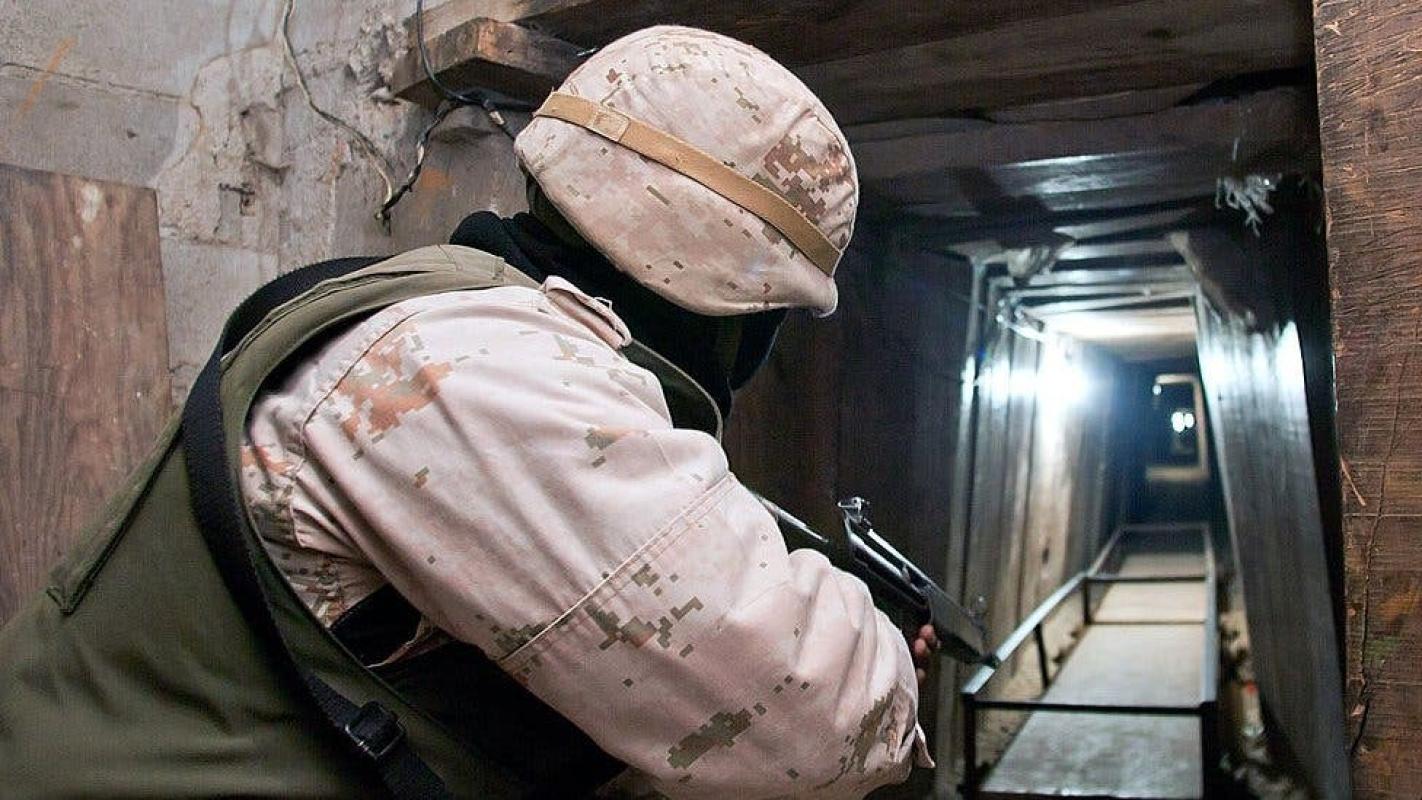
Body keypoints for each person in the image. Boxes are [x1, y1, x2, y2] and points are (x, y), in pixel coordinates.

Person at [0, 25, 934, 799]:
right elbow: (810, 725)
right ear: (738, 300)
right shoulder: (492, 374)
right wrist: (887, 653)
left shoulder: (455, 317)